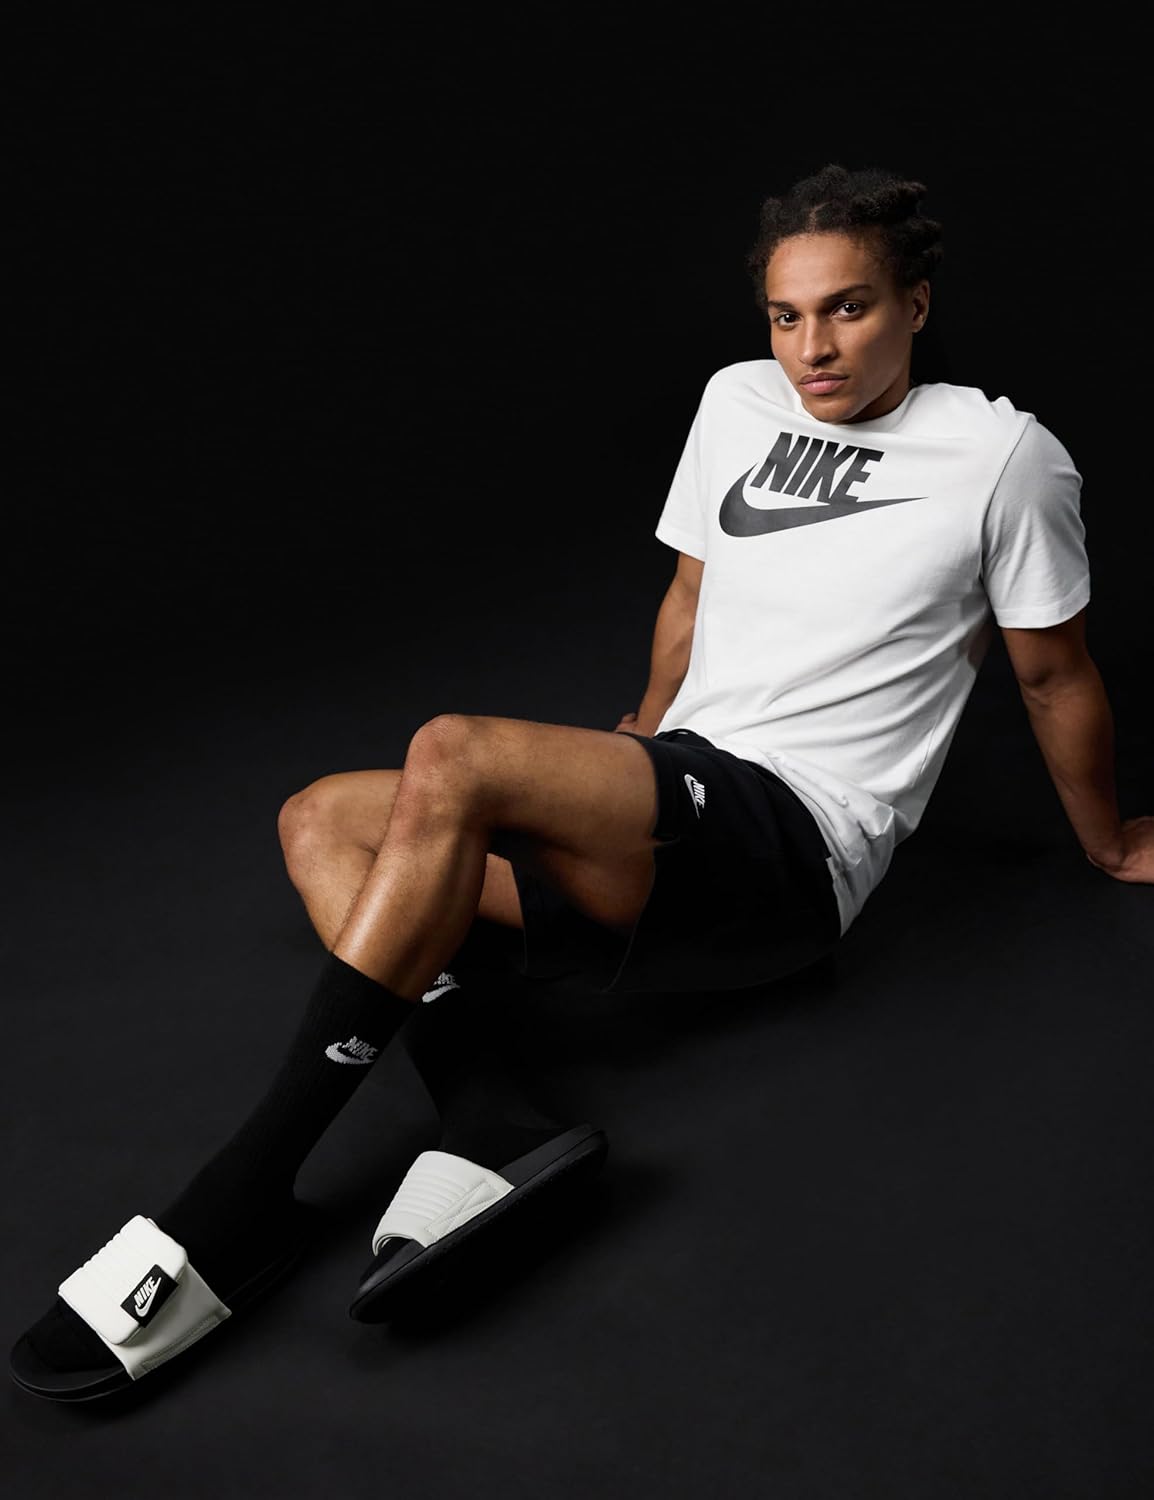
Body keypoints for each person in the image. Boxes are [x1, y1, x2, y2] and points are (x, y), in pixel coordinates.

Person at [11, 163, 1152, 1402]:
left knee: (454, 752)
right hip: (684, 797)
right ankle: (490, 1114)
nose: (811, 348)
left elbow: (1052, 674)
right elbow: (690, 593)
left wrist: (1104, 842)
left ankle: (239, 1197)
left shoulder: (1001, 457)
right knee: (320, 821)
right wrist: (638, 745)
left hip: (796, 850)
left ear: (914, 305)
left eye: (847, 308)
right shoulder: (736, 401)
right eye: (785, 315)